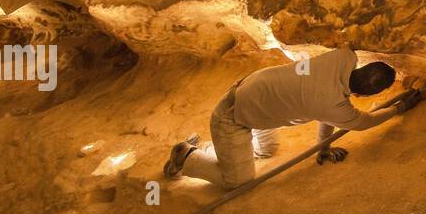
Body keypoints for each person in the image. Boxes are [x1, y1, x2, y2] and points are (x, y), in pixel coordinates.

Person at [163, 48, 397, 189]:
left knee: (266, 150)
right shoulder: (333, 105)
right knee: (238, 180)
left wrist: (324, 147)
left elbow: (328, 112)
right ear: (360, 95)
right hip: (233, 118)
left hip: (257, 92)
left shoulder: (343, 57)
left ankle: (209, 149)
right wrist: (399, 108)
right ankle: (187, 156)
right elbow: (365, 121)